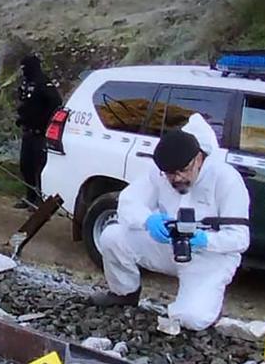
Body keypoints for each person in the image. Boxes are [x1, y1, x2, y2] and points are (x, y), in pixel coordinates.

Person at [91, 113, 250, 330]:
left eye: (182, 171)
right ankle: (124, 293)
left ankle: (207, 304)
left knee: (191, 319)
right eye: (170, 174)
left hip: (209, 257)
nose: (176, 178)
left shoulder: (226, 179)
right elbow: (128, 202)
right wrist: (148, 220)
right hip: (168, 246)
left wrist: (203, 239)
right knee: (112, 236)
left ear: (199, 159)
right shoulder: (160, 173)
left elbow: (240, 239)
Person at [15, 54, 62, 208]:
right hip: (28, 131)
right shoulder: (26, 82)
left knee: (39, 167)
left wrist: (44, 122)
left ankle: (40, 199)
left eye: (25, 68)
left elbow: (56, 104)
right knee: (26, 166)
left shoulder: (44, 83)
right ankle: (30, 197)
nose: (23, 71)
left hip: (40, 133)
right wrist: (23, 117)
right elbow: (25, 103)